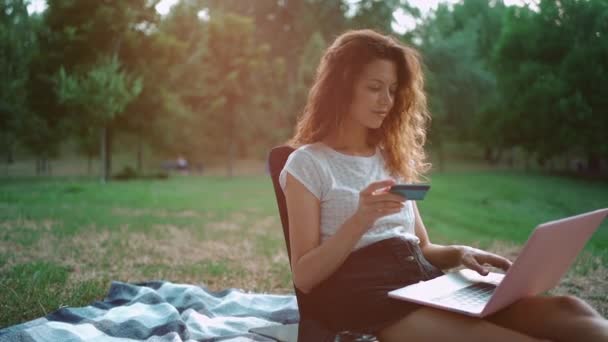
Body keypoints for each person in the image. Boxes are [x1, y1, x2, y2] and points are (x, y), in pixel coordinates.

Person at [279, 29, 608, 342]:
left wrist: (459, 253)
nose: (387, 100)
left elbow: (421, 246)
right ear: (342, 87)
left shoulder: (389, 158)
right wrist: (359, 220)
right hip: (365, 296)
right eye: (374, 87)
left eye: (393, 90)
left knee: (570, 310)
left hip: (422, 280)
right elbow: (305, 278)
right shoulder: (307, 164)